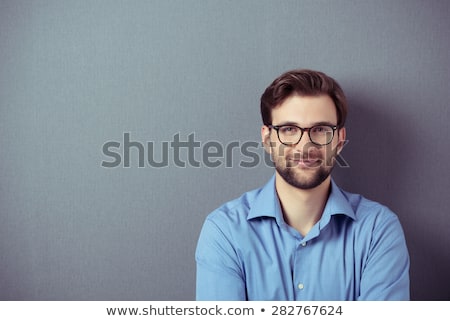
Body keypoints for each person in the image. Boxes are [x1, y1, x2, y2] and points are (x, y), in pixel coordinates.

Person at [195, 69, 410, 300]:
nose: (305, 146)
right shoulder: (225, 231)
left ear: (339, 140)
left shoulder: (378, 231)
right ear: (267, 139)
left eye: (320, 130)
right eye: (289, 129)